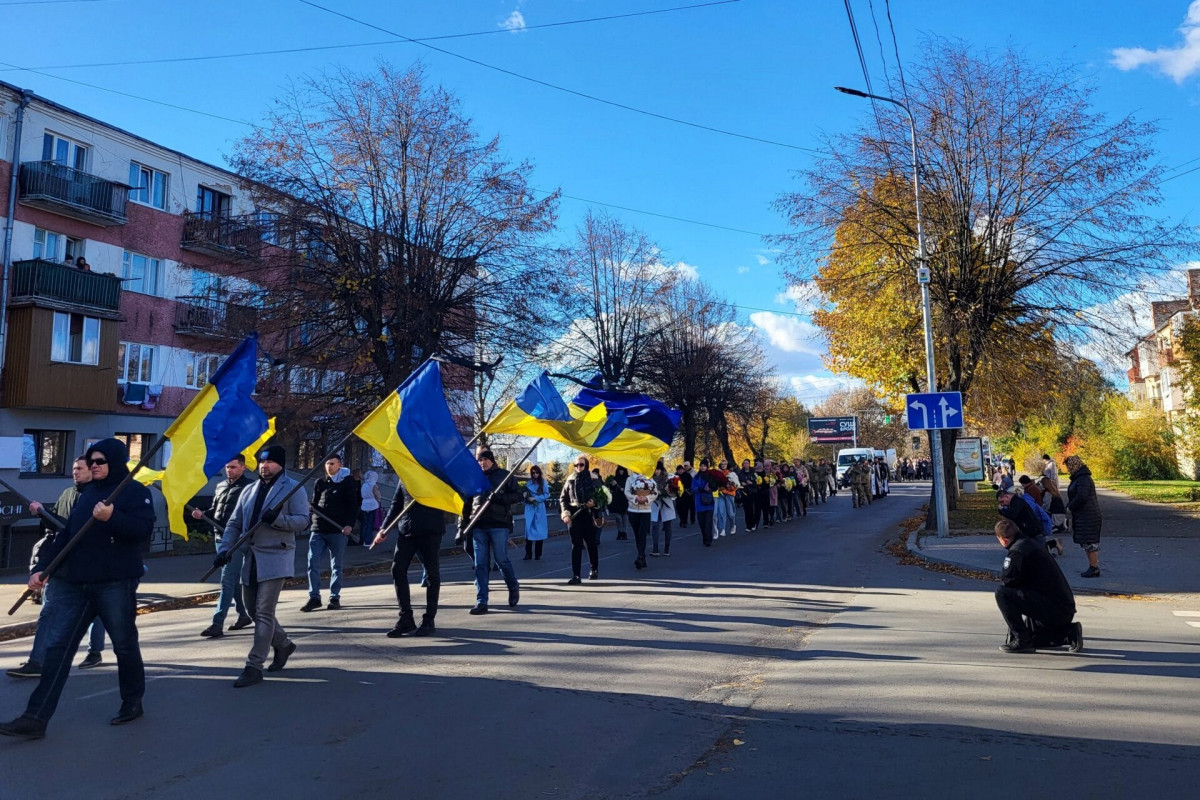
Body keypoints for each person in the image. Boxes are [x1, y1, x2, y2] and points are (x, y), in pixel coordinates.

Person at [0, 439, 154, 739]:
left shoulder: (134, 492)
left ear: (116, 462)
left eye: (100, 461)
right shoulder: (87, 495)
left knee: (123, 643)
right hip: (77, 583)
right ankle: (35, 718)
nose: (94, 466)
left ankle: (132, 701)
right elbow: (66, 536)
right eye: (92, 461)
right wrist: (42, 568)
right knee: (58, 649)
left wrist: (113, 518)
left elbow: (142, 531)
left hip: (114, 582)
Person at [215, 445, 307, 688]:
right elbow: (234, 524)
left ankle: (254, 666)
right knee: (252, 611)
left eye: (270, 462)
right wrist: (225, 549)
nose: (265, 466)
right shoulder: (250, 490)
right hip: (251, 557)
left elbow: (303, 521)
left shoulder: (292, 488)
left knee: (264, 612)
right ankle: (284, 645)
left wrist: (278, 520)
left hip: (277, 556)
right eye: (261, 462)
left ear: (281, 464)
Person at [8, 457, 100, 679]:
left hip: (90, 567)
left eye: (80, 469)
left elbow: (75, 530)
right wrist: (42, 514)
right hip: (62, 566)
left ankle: (95, 651)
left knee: (98, 613)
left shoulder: (96, 497)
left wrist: (44, 513)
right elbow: (57, 530)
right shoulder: (68, 494)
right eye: (73, 469)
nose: (75, 472)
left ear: (92, 471)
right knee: (48, 613)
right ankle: (38, 662)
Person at [993, 519, 1082, 653]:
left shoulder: (1018, 551)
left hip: (1053, 608)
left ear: (1004, 540)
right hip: (1061, 608)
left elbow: (1008, 581)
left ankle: (1022, 640)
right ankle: (1069, 633)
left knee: (1002, 593)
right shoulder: (1030, 544)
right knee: (1034, 638)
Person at [459, 447, 522, 614]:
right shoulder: (474, 477)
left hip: (498, 524)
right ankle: (481, 601)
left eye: (485, 459)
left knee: (501, 559)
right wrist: (461, 527)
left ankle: (513, 585)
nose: (482, 462)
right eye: (479, 460)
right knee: (480, 564)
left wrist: (500, 498)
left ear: (492, 460)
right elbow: (465, 504)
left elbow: (518, 496)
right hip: (478, 525)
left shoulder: (504, 476)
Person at [375, 485, 443, 638]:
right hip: (406, 530)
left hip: (430, 531)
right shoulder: (405, 473)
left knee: (431, 574)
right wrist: (384, 528)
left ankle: (429, 619)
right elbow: (397, 503)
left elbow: (447, 498)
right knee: (397, 569)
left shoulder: (436, 473)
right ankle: (406, 618)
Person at [198, 456, 255, 638]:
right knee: (233, 580)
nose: (229, 470)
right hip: (220, 538)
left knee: (227, 580)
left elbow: (250, 514)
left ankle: (217, 622)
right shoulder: (221, 485)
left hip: (237, 541)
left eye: (233, 467)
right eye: (227, 467)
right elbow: (215, 511)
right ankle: (244, 615)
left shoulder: (250, 487)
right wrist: (202, 514)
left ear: (243, 468)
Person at [303, 454, 361, 611]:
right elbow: (315, 502)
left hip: (338, 529)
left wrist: (349, 525)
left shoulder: (347, 482)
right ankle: (314, 597)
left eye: (332, 463)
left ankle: (334, 597)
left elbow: (353, 506)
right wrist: (310, 507)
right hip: (318, 528)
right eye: (327, 464)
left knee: (336, 565)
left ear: (340, 464)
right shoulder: (320, 482)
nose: (329, 467)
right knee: (312, 562)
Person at [561, 456, 602, 584]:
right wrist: (566, 514)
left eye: (581, 465)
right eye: (576, 465)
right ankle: (576, 575)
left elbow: (603, 496)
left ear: (586, 466)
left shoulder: (594, 478)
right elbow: (563, 498)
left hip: (589, 515)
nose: (578, 467)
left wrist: (594, 503)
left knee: (591, 544)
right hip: (575, 515)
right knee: (576, 546)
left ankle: (594, 569)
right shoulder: (570, 479)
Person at [1065, 455, 1102, 578]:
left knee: (1090, 541)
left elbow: (1082, 496)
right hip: (1084, 514)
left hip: (1088, 514)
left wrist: (1070, 507)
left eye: (1068, 466)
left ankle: (1094, 567)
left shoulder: (1083, 478)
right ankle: (1092, 566)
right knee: (1086, 541)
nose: (1068, 469)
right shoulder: (1080, 477)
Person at [626, 471, 658, 569]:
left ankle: (640, 556)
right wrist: (636, 498)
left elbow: (655, 492)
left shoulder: (649, 478)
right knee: (637, 534)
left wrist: (646, 498)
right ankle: (642, 557)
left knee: (642, 533)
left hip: (645, 510)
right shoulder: (630, 479)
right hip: (633, 510)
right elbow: (627, 492)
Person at [523, 465, 550, 560]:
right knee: (528, 530)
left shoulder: (543, 482)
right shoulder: (528, 483)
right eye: (533, 473)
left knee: (540, 530)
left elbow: (547, 494)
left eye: (537, 472)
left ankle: (538, 554)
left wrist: (536, 498)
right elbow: (524, 496)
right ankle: (528, 554)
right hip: (530, 508)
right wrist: (526, 497)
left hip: (539, 508)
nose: (535, 474)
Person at [650, 462, 676, 556]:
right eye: (655, 469)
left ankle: (667, 548)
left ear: (661, 469)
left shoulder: (668, 478)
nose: (656, 471)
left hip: (666, 504)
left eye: (658, 469)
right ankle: (655, 548)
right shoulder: (650, 479)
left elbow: (674, 493)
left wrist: (667, 492)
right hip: (655, 504)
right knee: (655, 526)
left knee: (667, 526)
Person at [1039, 476, 1068, 556]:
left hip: (1055, 516)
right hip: (1060, 515)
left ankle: (1052, 543)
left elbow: (1046, 506)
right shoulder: (1055, 492)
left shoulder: (1047, 493)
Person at [693, 459, 717, 546]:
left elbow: (715, 487)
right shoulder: (696, 477)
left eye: (704, 466)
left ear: (707, 467)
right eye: (701, 466)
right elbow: (693, 488)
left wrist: (711, 487)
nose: (702, 467)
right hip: (699, 502)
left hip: (709, 502)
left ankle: (708, 540)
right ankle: (705, 537)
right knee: (701, 523)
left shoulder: (711, 476)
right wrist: (701, 489)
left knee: (708, 522)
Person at [606, 466, 631, 541]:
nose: (621, 472)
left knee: (624, 517)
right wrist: (612, 485)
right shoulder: (614, 478)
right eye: (620, 470)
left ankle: (624, 532)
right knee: (618, 517)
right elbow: (610, 489)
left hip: (625, 499)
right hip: (616, 500)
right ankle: (620, 531)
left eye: (622, 470)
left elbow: (630, 488)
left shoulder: (627, 478)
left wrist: (622, 488)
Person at [358, 469, 381, 547]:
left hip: (364, 505)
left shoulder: (364, 485)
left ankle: (362, 540)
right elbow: (378, 496)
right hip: (373, 505)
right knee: (370, 524)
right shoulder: (373, 485)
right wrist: (378, 501)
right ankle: (368, 541)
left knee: (365, 524)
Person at [714, 460, 738, 537]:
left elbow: (737, 484)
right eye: (722, 464)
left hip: (729, 494)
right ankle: (722, 529)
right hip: (721, 494)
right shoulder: (718, 474)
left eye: (725, 464)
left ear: (728, 465)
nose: (723, 465)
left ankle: (733, 525)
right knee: (721, 512)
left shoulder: (732, 474)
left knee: (730, 513)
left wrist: (730, 485)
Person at [736, 459, 758, 531]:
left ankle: (753, 523)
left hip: (752, 492)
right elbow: (737, 482)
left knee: (752, 509)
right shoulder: (740, 473)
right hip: (744, 492)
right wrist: (741, 483)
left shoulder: (753, 472)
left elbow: (758, 481)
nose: (746, 465)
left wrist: (751, 483)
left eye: (747, 463)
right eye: (744, 463)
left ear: (749, 464)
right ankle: (748, 525)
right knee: (746, 509)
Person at [676, 463, 695, 529]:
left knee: (685, 508)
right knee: (679, 508)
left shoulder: (687, 475)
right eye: (679, 470)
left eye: (681, 470)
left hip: (686, 495)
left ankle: (684, 521)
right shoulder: (675, 476)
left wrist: (686, 487)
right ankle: (681, 519)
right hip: (678, 495)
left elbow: (690, 483)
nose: (680, 471)